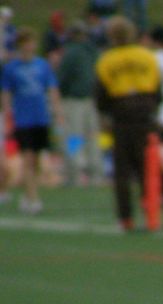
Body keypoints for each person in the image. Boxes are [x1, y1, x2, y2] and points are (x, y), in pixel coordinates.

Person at [94, 15, 161, 231]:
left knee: (122, 172)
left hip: (121, 118)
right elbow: (159, 91)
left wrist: (107, 114)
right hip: (145, 116)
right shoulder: (147, 56)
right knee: (147, 169)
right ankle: (150, 211)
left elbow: (100, 97)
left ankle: (126, 218)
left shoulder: (106, 59)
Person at [1, 26, 64, 215]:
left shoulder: (42, 65)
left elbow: (52, 89)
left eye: (32, 42)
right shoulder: (11, 68)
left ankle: (28, 194)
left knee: (36, 161)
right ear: (21, 45)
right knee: (27, 158)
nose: (31, 46)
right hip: (23, 119)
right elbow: (6, 93)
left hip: (41, 117)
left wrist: (58, 112)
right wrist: (7, 115)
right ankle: (33, 199)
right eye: (27, 42)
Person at [57, 19, 103, 187]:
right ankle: (96, 174)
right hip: (92, 100)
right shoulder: (93, 51)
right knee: (92, 137)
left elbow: (62, 78)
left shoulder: (70, 52)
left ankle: (74, 174)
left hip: (74, 100)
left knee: (74, 137)